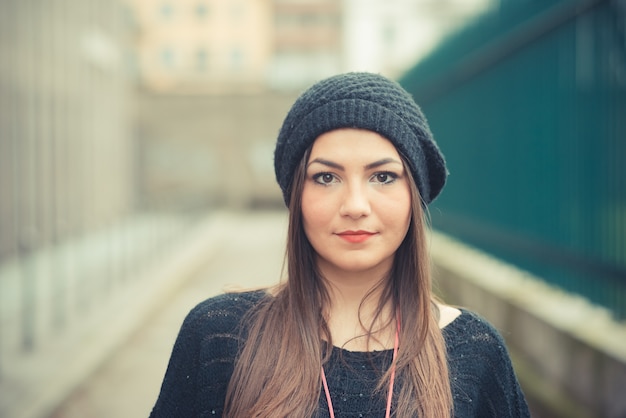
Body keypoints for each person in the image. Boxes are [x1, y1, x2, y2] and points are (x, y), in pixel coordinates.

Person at [149, 72, 530, 418]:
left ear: (414, 196)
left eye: (383, 176)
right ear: (297, 195)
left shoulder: (474, 353)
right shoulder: (219, 335)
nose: (355, 207)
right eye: (326, 177)